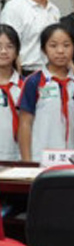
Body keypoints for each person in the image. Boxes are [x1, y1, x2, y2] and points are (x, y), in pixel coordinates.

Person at [18, 23, 74, 160]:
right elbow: (25, 123)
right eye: (53, 45)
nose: (60, 51)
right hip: (41, 157)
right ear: (44, 49)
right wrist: (27, 161)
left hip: (73, 158)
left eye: (66, 45)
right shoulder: (34, 82)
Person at [0, 0, 60, 74]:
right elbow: (7, 45)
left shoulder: (54, 10)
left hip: (50, 73)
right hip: (24, 73)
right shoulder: (13, 8)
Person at [0, 24, 23, 161]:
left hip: (19, 156)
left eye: (9, 46)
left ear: (17, 51)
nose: (4, 51)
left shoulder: (26, 86)